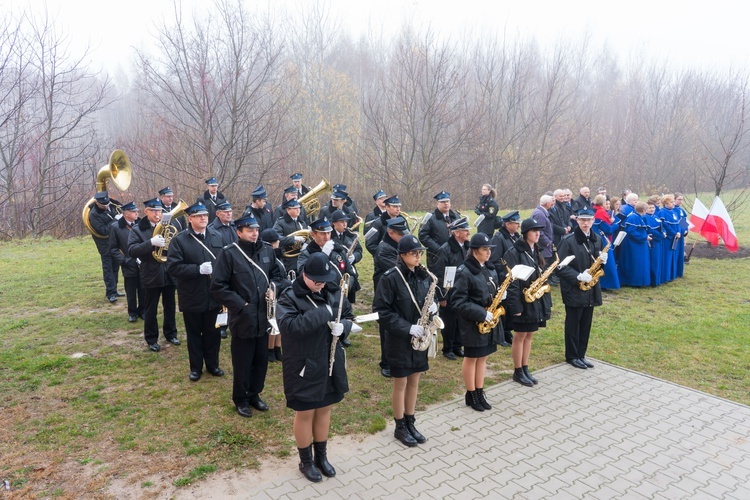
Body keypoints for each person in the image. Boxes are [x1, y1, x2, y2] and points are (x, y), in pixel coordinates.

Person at [276, 252, 354, 482]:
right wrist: (324, 313)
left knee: (324, 409)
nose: (320, 285)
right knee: (305, 412)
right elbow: (290, 326)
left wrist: (344, 327)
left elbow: (348, 314)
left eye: (323, 280)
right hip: (304, 364)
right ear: (304, 275)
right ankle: (305, 460)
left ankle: (321, 456)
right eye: (316, 281)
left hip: (329, 361)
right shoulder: (288, 297)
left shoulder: (332, 289)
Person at [211, 214, 285, 417]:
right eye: (249, 230)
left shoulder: (267, 250)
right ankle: (241, 398)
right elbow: (218, 286)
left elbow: (278, 276)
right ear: (239, 232)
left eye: (256, 230)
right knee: (243, 362)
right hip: (243, 317)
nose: (254, 234)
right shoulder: (229, 254)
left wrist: (274, 288)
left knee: (261, 361)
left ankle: (255, 394)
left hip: (265, 316)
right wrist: (240, 305)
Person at [372, 235, 435, 447]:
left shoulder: (423, 275)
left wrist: (434, 309)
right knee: (401, 383)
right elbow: (382, 311)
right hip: (400, 339)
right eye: (414, 253)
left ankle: (410, 420)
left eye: (420, 253)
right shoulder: (390, 277)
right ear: (402, 255)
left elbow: (427, 299)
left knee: (415, 379)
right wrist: (407, 328)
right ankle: (399, 426)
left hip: (420, 338)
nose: (418, 257)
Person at [167, 202, 225, 381]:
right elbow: (173, 267)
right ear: (190, 218)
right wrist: (197, 269)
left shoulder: (216, 235)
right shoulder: (179, 240)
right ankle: (196, 368)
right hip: (192, 294)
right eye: (199, 216)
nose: (203, 218)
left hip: (213, 295)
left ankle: (213, 365)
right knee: (194, 334)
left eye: (205, 215)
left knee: (213, 333)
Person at [452, 233, 504, 411]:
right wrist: (481, 313)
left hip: (487, 321)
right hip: (472, 322)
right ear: (474, 252)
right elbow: (458, 302)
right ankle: (471, 393)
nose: (488, 253)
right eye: (485, 249)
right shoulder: (464, 272)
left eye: (489, 249)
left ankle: (480, 391)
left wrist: (499, 295)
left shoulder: (489, 268)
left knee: (483, 357)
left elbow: (490, 290)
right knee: (471, 357)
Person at [503, 217, 552, 387]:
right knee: (520, 336)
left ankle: (525, 367)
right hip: (521, 301)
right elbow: (512, 281)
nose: (538, 233)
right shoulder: (514, 252)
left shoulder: (534, 250)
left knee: (529, 335)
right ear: (525, 233)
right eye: (534, 231)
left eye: (539, 231)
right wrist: (515, 306)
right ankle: (517, 371)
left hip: (534, 300)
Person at [128, 198, 180, 351]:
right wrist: (150, 242)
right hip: (150, 273)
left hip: (169, 272)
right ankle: (151, 339)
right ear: (146, 212)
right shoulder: (138, 229)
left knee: (170, 306)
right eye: (154, 211)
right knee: (151, 308)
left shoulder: (169, 226)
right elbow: (132, 251)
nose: (157, 214)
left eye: (159, 211)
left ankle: (171, 334)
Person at [557, 208, 604, 369]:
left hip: (590, 288)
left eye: (589, 220)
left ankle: (581, 354)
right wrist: (577, 276)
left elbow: (597, 265)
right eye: (582, 220)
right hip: (574, 288)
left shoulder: (597, 239)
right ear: (577, 221)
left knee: (586, 323)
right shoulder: (568, 240)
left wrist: (603, 261)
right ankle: (572, 355)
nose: (585, 223)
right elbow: (561, 267)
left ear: (593, 221)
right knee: (573, 323)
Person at [373, 216, 411, 378]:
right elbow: (399, 269)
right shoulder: (384, 249)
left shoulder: (395, 245)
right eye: (401, 235)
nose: (404, 237)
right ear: (391, 233)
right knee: (387, 329)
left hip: (397, 292)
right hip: (386, 293)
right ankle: (386, 362)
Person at [433, 217, 470, 360]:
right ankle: (447, 348)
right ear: (456, 233)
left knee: (461, 319)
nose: (468, 233)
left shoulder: (467, 247)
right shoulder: (445, 250)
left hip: (463, 291)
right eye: (465, 230)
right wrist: (442, 296)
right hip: (450, 292)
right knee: (449, 322)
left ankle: (457, 346)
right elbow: (439, 274)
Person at [489, 210, 522, 346]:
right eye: (516, 223)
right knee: (503, 306)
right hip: (504, 277)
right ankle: (500, 335)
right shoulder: (499, 238)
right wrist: (503, 276)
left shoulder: (515, 237)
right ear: (508, 224)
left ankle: (508, 331)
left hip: (515, 277)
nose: (519, 225)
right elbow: (495, 259)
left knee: (510, 307)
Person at [109, 201, 143, 322]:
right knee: (131, 289)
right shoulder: (115, 227)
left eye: (137, 211)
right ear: (126, 213)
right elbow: (113, 248)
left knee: (143, 288)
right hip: (129, 263)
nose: (137, 213)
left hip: (143, 262)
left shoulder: (141, 224)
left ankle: (142, 310)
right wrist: (124, 261)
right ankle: (132, 312)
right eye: (134, 211)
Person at [88, 191, 122, 303]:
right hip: (104, 244)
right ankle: (110, 293)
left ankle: (115, 290)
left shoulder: (110, 205)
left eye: (107, 204)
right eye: (104, 205)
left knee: (116, 266)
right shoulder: (94, 214)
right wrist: (115, 220)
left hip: (115, 241)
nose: (107, 206)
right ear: (97, 203)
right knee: (108, 268)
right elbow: (103, 230)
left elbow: (119, 207)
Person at [419, 191, 460, 269]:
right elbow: (423, 235)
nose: (446, 204)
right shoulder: (430, 218)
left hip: (455, 255)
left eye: (447, 201)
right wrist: (439, 249)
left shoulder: (456, 217)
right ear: (437, 203)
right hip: (436, 256)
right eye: (443, 202)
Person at [330, 210, 362, 304]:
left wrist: (354, 257)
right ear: (334, 223)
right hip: (336, 271)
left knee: (348, 300)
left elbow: (359, 251)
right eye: (341, 222)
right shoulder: (329, 235)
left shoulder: (350, 235)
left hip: (349, 271)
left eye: (346, 221)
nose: (345, 224)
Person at [618, 201, 651, 287]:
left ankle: (640, 281)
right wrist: (644, 237)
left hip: (639, 243)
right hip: (633, 245)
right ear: (643, 210)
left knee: (640, 262)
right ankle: (634, 282)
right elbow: (631, 231)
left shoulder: (638, 217)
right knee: (635, 262)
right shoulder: (633, 217)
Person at [592, 195, 621, 290]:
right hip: (603, 240)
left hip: (598, 239)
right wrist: (615, 224)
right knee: (607, 263)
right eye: (606, 203)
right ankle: (605, 284)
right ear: (603, 203)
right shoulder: (601, 212)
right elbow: (608, 229)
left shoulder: (596, 211)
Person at [273, 199, 309, 273]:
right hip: (288, 260)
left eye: (299, 208)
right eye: (295, 208)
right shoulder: (280, 222)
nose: (298, 210)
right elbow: (277, 238)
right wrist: (294, 239)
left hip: (302, 257)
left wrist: (306, 244)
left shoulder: (302, 223)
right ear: (288, 210)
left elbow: (307, 238)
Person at [645, 196, 666, 287]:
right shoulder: (646, 217)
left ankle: (659, 279)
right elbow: (650, 230)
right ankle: (653, 281)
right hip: (654, 241)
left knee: (659, 261)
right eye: (650, 208)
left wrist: (664, 232)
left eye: (653, 207)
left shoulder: (656, 217)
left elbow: (663, 227)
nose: (652, 209)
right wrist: (661, 235)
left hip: (661, 240)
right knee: (654, 261)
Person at [673, 192, 689, 278]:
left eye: (682, 199)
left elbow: (683, 221)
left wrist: (686, 230)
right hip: (675, 235)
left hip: (681, 235)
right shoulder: (672, 210)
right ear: (674, 199)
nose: (681, 201)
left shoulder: (681, 210)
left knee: (680, 253)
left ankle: (679, 271)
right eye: (679, 199)